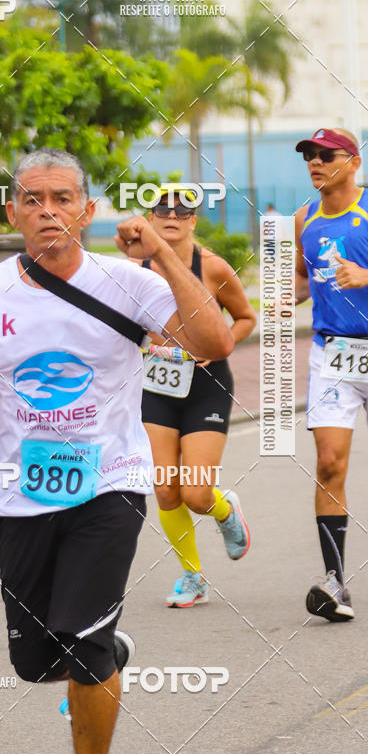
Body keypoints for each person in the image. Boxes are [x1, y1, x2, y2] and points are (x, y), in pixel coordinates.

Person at [0, 148, 233, 754]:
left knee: (83, 641)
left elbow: (214, 342)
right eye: (35, 200)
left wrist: (162, 253)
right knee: (38, 662)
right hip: (23, 495)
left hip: (110, 483)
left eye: (64, 198)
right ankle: (102, 653)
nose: (49, 211)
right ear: (14, 211)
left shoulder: (132, 281)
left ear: (88, 210)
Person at [136, 187, 255, 607]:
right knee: (166, 490)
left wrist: (216, 344)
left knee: (196, 494)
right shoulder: (135, 269)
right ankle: (193, 576)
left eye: (182, 210)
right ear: (151, 218)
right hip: (158, 384)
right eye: (162, 209)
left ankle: (224, 510)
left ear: (193, 221)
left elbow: (244, 318)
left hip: (207, 386)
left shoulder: (213, 268)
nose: (172, 215)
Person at [294, 128, 368, 622]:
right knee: (328, 464)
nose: (316, 164)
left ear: (354, 161)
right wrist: (287, 296)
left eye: (326, 156)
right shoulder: (305, 218)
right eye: (309, 157)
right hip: (332, 354)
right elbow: (303, 277)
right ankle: (335, 582)